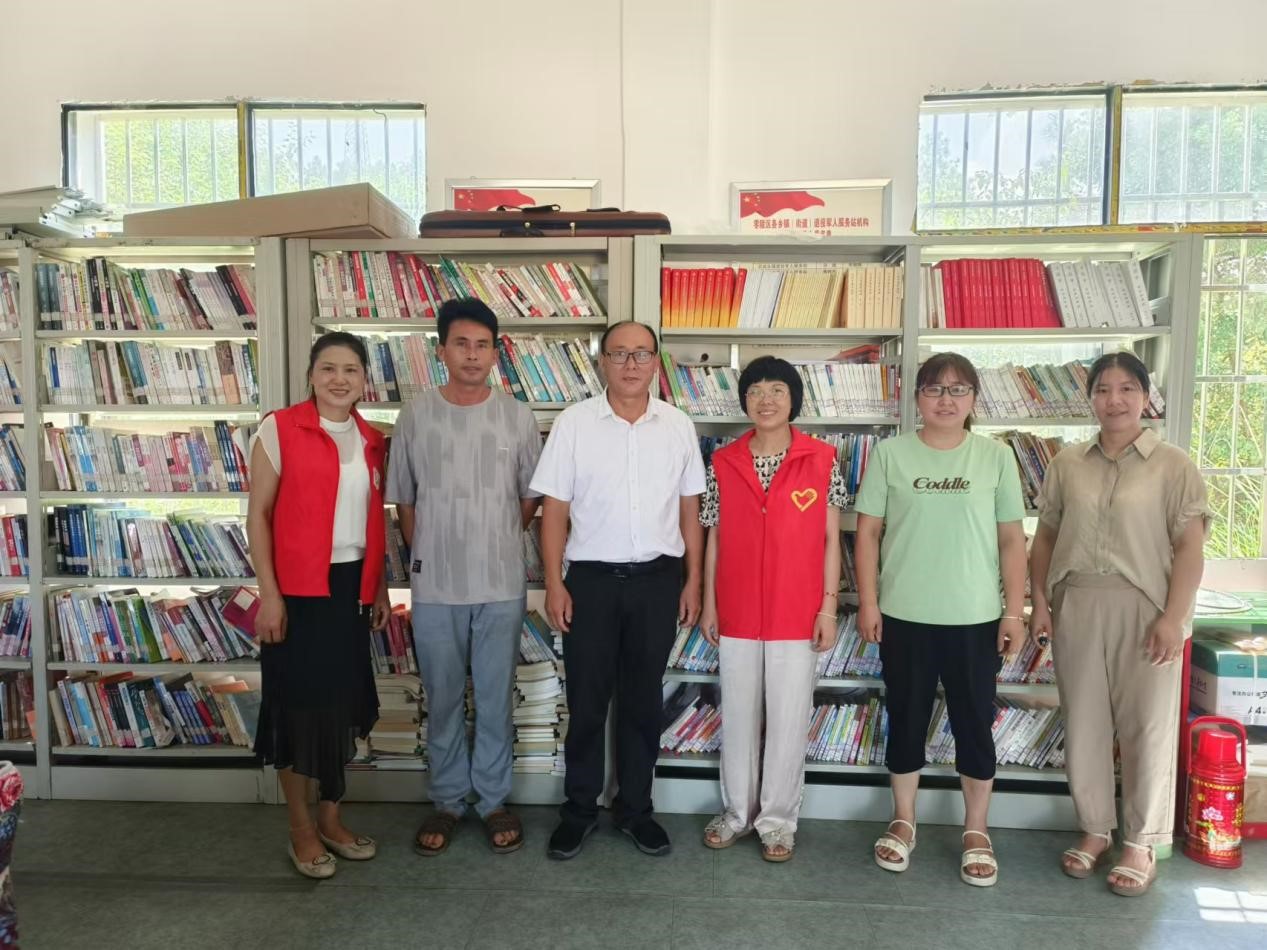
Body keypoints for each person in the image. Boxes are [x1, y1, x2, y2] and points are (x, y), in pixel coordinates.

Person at [1029, 351, 1207, 897]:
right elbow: (1046, 537)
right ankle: (1094, 830)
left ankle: (1141, 842)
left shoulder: (1173, 465)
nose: (1115, 400)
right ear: (1089, 398)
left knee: (1146, 726)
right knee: (1083, 722)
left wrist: (1174, 617)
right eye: (1103, 389)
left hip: (1146, 608)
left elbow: (1190, 547)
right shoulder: (1066, 464)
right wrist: (1040, 603)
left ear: (1145, 397)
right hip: (1078, 602)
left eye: (1127, 388)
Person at [530, 320, 705, 860]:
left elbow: (690, 510)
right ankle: (579, 811)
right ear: (601, 361)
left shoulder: (677, 425)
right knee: (586, 703)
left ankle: (635, 810)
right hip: (591, 583)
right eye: (620, 353)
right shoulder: (574, 423)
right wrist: (554, 582)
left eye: (642, 354)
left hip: (657, 581)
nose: (631, 364)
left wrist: (694, 581)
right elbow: (553, 510)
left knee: (642, 703)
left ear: (656, 362)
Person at [854, 352, 1027, 887]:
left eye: (957, 390)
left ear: (974, 398)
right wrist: (868, 602)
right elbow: (868, 533)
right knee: (905, 718)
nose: (945, 400)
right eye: (933, 389)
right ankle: (903, 820)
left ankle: (976, 830)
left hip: (975, 618)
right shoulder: (891, 454)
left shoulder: (996, 457)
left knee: (973, 723)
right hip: (904, 614)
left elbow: (1011, 539)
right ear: (917, 398)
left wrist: (1013, 611)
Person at [386, 298, 543, 857]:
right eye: (461, 344)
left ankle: (494, 800)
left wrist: (494, 538)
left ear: (496, 353)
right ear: (442, 351)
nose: (472, 355)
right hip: (435, 586)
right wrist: (429, 552)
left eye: (482, 345)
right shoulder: (416, 414)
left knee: (496, 697)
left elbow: (529, 498)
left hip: (500, 583)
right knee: (444, 695)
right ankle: (449, 800)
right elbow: (404, 499)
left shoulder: (517, 416)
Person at [248, 331, 391, 879]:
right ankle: (301, 829)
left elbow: (372, 521)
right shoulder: (280, 428)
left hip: (351, 589)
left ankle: (331, 819)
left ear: (364, 380)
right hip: (297, 592)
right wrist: (270, 594)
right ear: (311, 375)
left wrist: (378, 588)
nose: (339, 379)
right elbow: (259, 515)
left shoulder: (371, 438)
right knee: (298, 711)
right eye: (328, 368)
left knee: (340, 709)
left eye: (351, 369)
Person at [696, 356, 842, 862]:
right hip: (736, 610)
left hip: (796, 612)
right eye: (756, 390)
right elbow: (714, 537)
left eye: (777, 389)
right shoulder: (723, 461)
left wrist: (827, 609)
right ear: (744, 401)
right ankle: (737, 813)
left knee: (787, 720)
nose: (766, 399)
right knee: (738, 717)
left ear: (793, 399)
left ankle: (778, 821)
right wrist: (710, 604)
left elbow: (831, 540)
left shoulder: (822, 458)